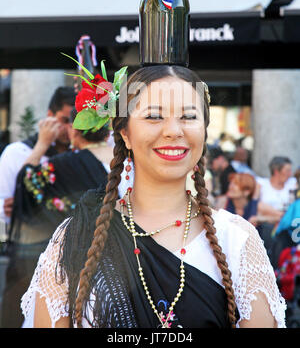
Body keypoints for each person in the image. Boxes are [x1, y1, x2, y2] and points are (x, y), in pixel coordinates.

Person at [21, 65, 286, 328]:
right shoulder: (76, 236)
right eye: (154, 116)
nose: (173, 131)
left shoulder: (236, 240)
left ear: (204, 131)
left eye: (188, 117)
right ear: (125, 134)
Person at [1, 108, 112, 328]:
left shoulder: (60, 166)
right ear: (107, 131)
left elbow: (26, 182)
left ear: (74, 131)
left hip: (72, 259)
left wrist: (41, 145)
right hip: (123, 260)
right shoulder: (129, 163)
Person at [0, 87, 76, 223]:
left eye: (75, 122)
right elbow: (3, 201)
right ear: (50, 115)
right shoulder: (15, 152)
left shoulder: (82, 154)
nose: (70, 128)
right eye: (64, 120)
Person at [216, 173, 283, 226]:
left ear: (246, 192)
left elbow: (283, 216)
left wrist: (261, 219)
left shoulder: (258, 206)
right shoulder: (223, 202)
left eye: (235, 184)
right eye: (231, 183)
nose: (230, 186)